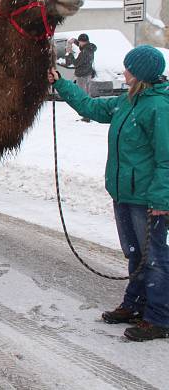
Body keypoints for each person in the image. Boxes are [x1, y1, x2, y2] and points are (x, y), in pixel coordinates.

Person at [49, 45, 168, 341]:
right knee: (135, 254)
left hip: (147, 198)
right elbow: (92, 108)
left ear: (140, 73)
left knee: (153, 256)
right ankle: (135, 304)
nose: (123, 71)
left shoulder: (159, 107)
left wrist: (161, 200)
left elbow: (166, 158)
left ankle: (159, 318)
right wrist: (60, 84)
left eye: (128, 67)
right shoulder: (128, 101)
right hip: (124, 192)